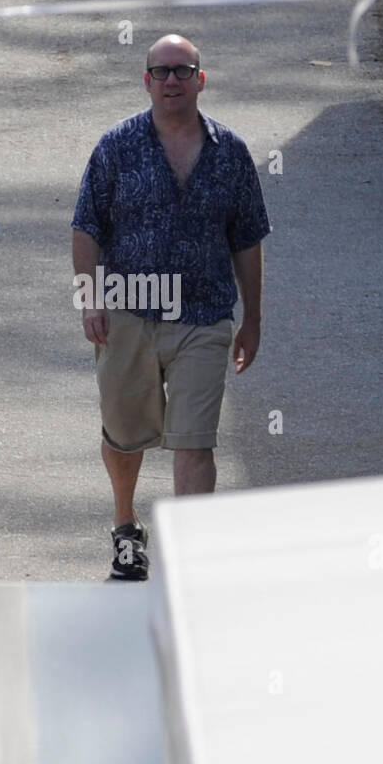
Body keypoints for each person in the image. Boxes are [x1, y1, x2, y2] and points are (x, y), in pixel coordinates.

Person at [71, 34, 270, 581]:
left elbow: (248, 239)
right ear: (147, 81)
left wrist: (252, 318)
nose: (172, 81)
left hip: (204, 317)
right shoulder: (116, 147)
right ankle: (125, 527)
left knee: (194, 439)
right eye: (161, 72)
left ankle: (190, 556)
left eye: (183, 71)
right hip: (127, 313)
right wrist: (90, 299)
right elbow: (86, 227)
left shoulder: (230, 152)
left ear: (201, 80)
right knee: (124, 433)